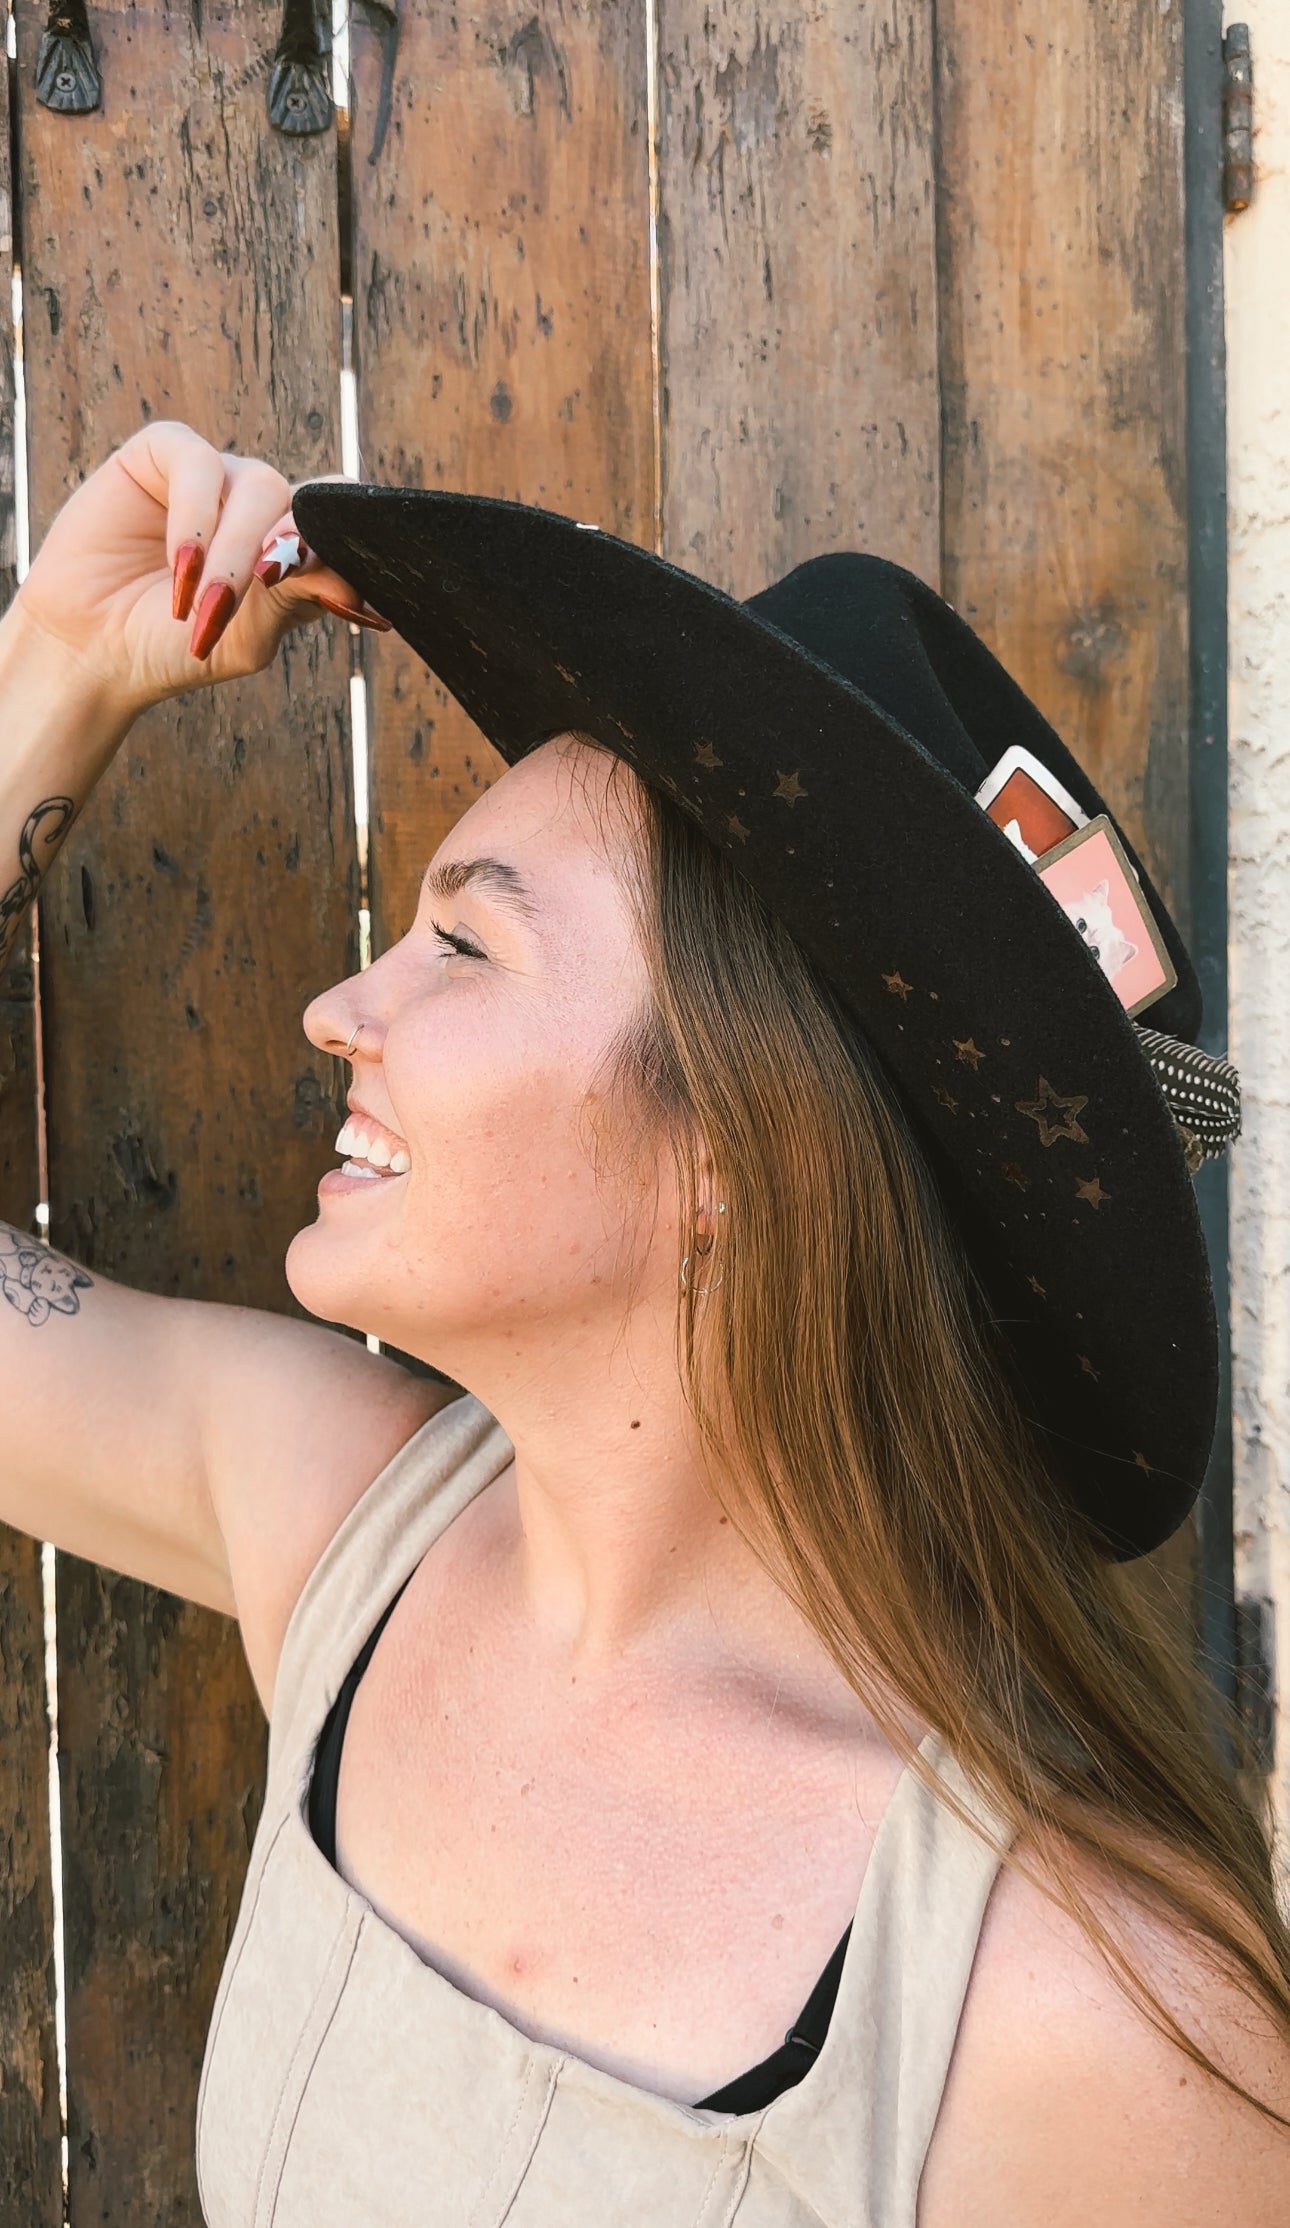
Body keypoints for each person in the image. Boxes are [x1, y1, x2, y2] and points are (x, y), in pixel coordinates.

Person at [0, 419, 1286, 2226]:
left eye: (463, 945)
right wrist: (46, 683)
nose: (334, 1008)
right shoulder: (345, 1539)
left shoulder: (1096, 2017)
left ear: (736, 1153)